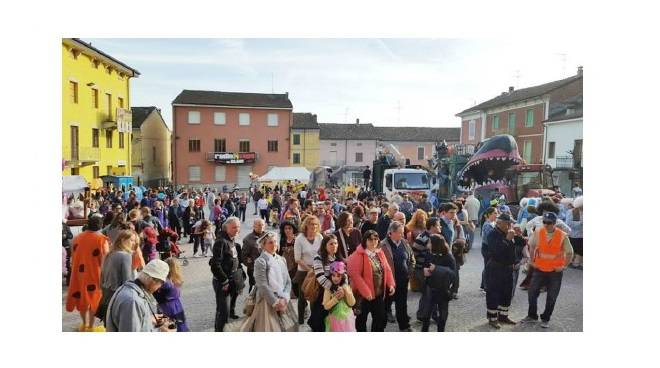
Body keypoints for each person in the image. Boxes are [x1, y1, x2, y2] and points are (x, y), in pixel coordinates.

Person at [521, 212, 574, 328]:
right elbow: (532, 246)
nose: (545, 224)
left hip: (555, 271)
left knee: (552, 296)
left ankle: (546, 318)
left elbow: (570, 253)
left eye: (549, 223)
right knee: (531, 293)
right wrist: (531, 260)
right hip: (539, 269)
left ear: (554, 223)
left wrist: (564, 266)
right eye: (544, 222)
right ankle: (532, 315)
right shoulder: (538, 232)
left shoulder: (562, 235)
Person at [240, 232, 297, 332]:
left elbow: (288, 281)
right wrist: (275, 302)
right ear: (263, 246)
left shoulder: (281, 259)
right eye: (270, 242)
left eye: (275, 242)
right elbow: (262, 285)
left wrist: (285, 298)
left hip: (282, 298)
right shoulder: (260, 261)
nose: (274, 245)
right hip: (267, 301)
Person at [65, 216, 109, 332]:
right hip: (95, 273)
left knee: (82, 298)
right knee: (94, 299)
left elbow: (73, 256)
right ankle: (90, 326)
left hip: (79, 273)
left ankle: (84, 324)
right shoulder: (102, 239)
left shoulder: (77, 238)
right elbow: (105, 260)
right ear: (100, 225)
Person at [105, 259, 175, 332]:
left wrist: (148, 319)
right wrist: (161, 331)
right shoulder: (133, 301)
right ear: (153, 280)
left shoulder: (129, 289)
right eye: (161, 283)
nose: (159, 287)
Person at [346, 230, 396, 332]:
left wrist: (390, 284)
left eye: (376, 239)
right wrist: (366, 292)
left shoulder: (379, 252)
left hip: (378, 294)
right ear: (365, 241)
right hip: (362, 296)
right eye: (370, 240)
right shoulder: (358, 254)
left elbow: (387, 269)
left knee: (380, 319)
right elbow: (355, 275)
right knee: (360, 321)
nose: (373, 242)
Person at [210, 217, 245, 331]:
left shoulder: (232, 240)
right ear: (226, 228)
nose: (237, 229)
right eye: (234, 227)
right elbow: (215, 264)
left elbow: (236, 261)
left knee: (228, 308)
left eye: (238, 227)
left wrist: (240, 279)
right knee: (223, 311)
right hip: (222, 283)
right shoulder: (221, 242)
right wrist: (224, 280)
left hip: (233, 279)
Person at [484, 213, 518, 329]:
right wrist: (507, 240)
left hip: (508, 268)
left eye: (510, 223)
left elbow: (516, 247)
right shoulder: (492, 234)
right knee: (493, 293)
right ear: (500, 224)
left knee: (507, 293)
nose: (510, 225)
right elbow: (496, 251)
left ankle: (503, 316)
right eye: (508, 223)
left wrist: (519, 236)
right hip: (495, 268)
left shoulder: (508, 232)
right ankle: (492, 318)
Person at [380, 221, 415, 332]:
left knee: (402, 305)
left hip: (403, 280)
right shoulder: (382, 245)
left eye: (403, 232)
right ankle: (380, 328)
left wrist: (409, 272)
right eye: (400, 232)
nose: (402, 235)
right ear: (391, 233)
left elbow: (411, 259)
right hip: (388, 283)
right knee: (385, 307)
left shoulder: (404, 243)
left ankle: (404, 326)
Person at [97, 229, 137, 325]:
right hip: (119, 298)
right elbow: (127, 282)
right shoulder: (126, 256)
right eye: (131, 240)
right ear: (123, 240)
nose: (134, 243)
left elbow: (101, 277)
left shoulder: (109, 254)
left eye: (134, 240)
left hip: (106, 297)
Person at [419, 234, 457, 332]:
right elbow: (425, 266)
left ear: (435, 244)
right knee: (426, 314)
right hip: (430, 288)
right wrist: (425, 271)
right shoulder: (429, 253)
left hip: (443, 289)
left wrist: (436, 269)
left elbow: (453, 274)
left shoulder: (448, 256)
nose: (428, 244)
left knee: (442, 315)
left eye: (429, 242)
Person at [309, 235, 343, 331]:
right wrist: (334, 289)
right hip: (321, 293)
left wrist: (342, 288)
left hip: (336, 294)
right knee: (319, 321)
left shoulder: (338, 257)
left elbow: (344, 275)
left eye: (335, 243)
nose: (334, 246)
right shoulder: (318, 258)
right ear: (325, 245)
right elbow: (320, 277)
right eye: (331, 244)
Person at [293, 216, 323, 325]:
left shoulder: (320, 237)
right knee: (302, 297)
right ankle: (300, 321)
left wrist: (317, 268)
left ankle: (313, 320)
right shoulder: (300, 238)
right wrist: (310, 270)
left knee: (314, 297)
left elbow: (322, 253)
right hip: (303, 271)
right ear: (306, 225)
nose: (313, 227)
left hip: (317, 270)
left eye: (315, 224)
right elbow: (297, 259)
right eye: (311, 224)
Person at [154, 257, 189, 332]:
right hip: (177, 306)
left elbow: (156, 295)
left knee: (169, 327)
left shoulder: (166, 282)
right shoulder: (176, 279)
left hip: (166, 308)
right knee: (181, 326)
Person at [323, 261, 356, 332]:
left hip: (347, 319)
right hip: (335, 320)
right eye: (333, 275)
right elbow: (326, 306)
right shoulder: (328, 289)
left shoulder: (345, 286)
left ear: (343, 276)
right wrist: (336, 298)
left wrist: (346, 290)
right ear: (330, 276)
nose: (336, 278)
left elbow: (352, 303)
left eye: (338, 276)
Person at [242, 218, 266, 292]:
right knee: (254, 288)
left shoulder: (267, 236)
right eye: (259, 225)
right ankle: (251, 302)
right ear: (254, 226)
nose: (261, 227)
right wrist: (251, 265)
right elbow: (244, 256)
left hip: (267, 267)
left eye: (262, 225)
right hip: (254, 269)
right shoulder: (248, 239)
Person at [480, 207, 498, 292]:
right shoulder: (488, 225)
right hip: (487, 248)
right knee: (488, 267)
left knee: (487, 266)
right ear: (489, 214)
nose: (496, 215)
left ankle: (483, 285)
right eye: (495, 213)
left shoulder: (493, 223)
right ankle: (486, 287)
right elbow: (489, 239)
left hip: (488, 247)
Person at [565, 197, 583, 269]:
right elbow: (568, 223)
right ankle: (574, 262)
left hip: (582, 234)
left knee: (580, 249)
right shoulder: (570, 212)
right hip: (574, 234)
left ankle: (577, 262)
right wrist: (581, 223)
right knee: (576, 249)